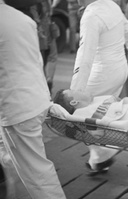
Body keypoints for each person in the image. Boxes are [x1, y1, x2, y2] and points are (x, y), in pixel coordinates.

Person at [0, 1, 66, 198]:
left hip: (17, 109)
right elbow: (37, 61)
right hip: (33, 100)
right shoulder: (21, 19)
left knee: (38, 175)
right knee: (14, 162)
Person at [70, 0, 128, 176]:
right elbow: (127, 27)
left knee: (80, 115)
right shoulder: (111, 5)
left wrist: (75, 90)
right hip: (119, 69)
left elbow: (85, 53)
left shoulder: (92, 15)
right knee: (101, 114)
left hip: (102, 73)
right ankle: (99, 159)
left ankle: (105, 153)